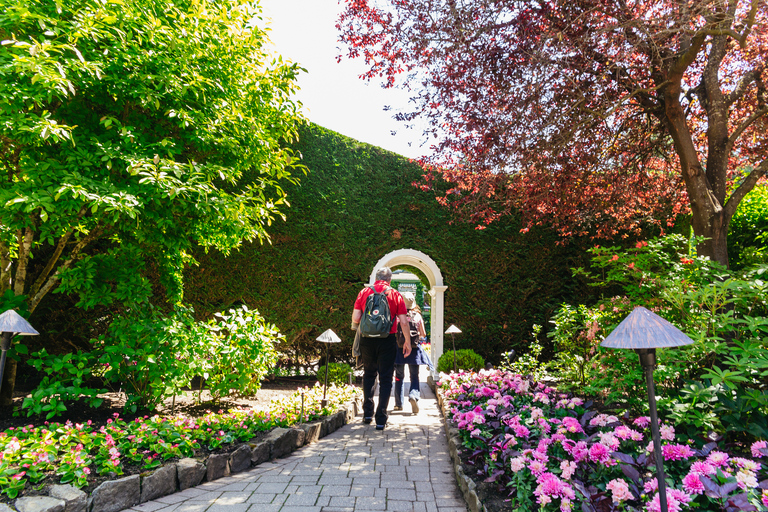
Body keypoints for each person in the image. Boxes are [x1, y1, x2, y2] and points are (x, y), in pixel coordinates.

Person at [351, 267, 412, 430]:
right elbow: (404, 322)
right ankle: (381, 418)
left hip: (366, 340)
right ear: (390, 280)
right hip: (387, 340)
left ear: (375, 278)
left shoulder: (364, 292)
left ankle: (367, 414)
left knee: (369, 374)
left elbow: (356, 318)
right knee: (386, 378)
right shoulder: (395, 294)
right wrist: (407, 341)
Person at [393, 292, 432, 414]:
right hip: (414, 351)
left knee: (399, 377)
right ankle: (413, 396)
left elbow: (393, 331)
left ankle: (398, 404)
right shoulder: (418, 316)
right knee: (414, 376)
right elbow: (423, 334)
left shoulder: (397, 316)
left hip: (399, 350)